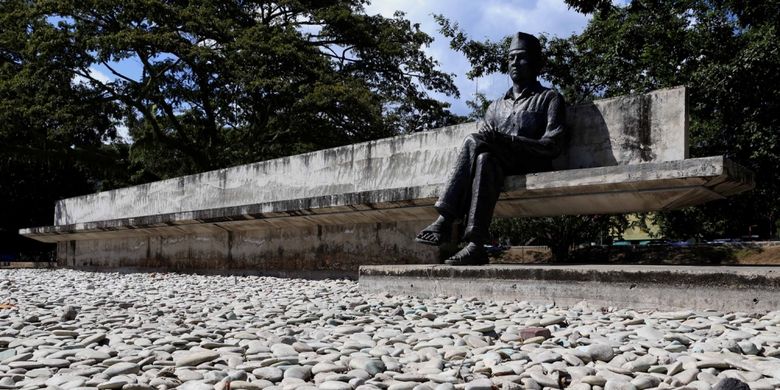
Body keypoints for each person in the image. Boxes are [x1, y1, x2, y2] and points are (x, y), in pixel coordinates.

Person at [415, 32, 566, 265]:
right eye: (511, 58)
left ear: (538, 63)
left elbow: (552, 146)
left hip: (532, 163)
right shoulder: (495, 107)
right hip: (497, 168)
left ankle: (445, 219)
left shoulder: (549, 98)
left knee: (472, 142)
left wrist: (508, 141)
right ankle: (476, 245)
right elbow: (483, 149)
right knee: (485, 159)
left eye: (522, 57)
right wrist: (496, 143)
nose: (515, 63)